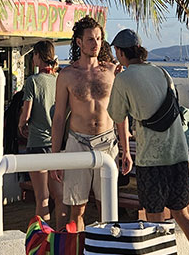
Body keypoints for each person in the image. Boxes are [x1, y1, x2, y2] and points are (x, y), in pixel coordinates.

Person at [108, 29, 189, 255]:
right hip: (178, 155)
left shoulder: (123, 79)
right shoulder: (162, 73)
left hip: (151, 160)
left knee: (155, 219)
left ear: (120, 52)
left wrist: (126, 152)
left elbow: (118, 118)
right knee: (183, 215)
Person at [50, 16, 131, 231]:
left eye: (98, 39)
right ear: (79, 42)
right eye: (90, 40)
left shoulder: (111, 72)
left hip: (107, 144)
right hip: (78, 144)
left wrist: (126, 150)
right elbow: (58, 118)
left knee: (107, 206)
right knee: (77, 209)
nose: (96, 44)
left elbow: (120, 114)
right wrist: (55, 155)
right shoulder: (66, 75)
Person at [17, 40, 66, 228]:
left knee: (42, 197)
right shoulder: (59, 80)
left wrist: (22, 124)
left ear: (37, 56)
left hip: (37, 142)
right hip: (57, 144)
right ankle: (62, 235)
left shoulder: (32, 82)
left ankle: (44, 239)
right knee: (59, 195)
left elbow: (26, 113)